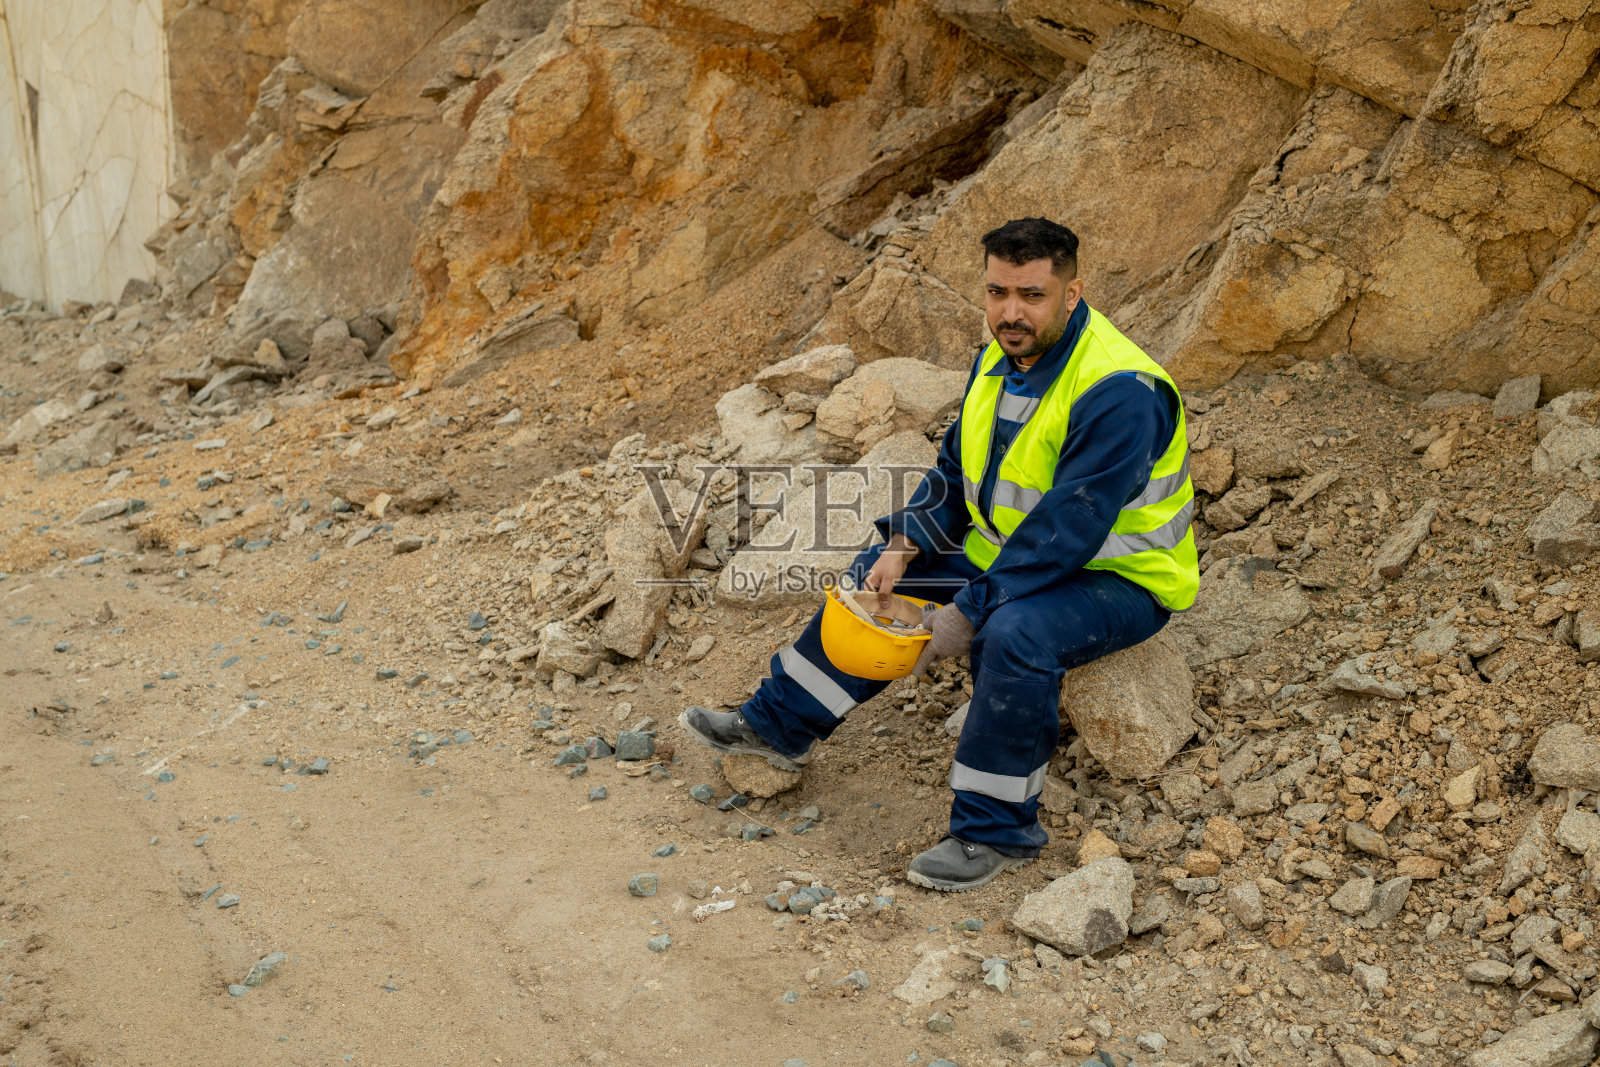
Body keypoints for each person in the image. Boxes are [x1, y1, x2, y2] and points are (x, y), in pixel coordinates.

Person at [680, 217, 1199, 891]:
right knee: (876, 576)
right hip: (1017, 555)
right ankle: (776, 728)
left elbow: (1070, 529)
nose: (1010, 312)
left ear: (1073, 293)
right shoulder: (1002, 357)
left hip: (1118, 578)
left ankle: (996, 831)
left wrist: (970, 610)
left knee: (1014, 632)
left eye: (1032, 294)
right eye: (997, 291)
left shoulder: (1120, 390)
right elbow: (955, 473)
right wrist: (904, 542)